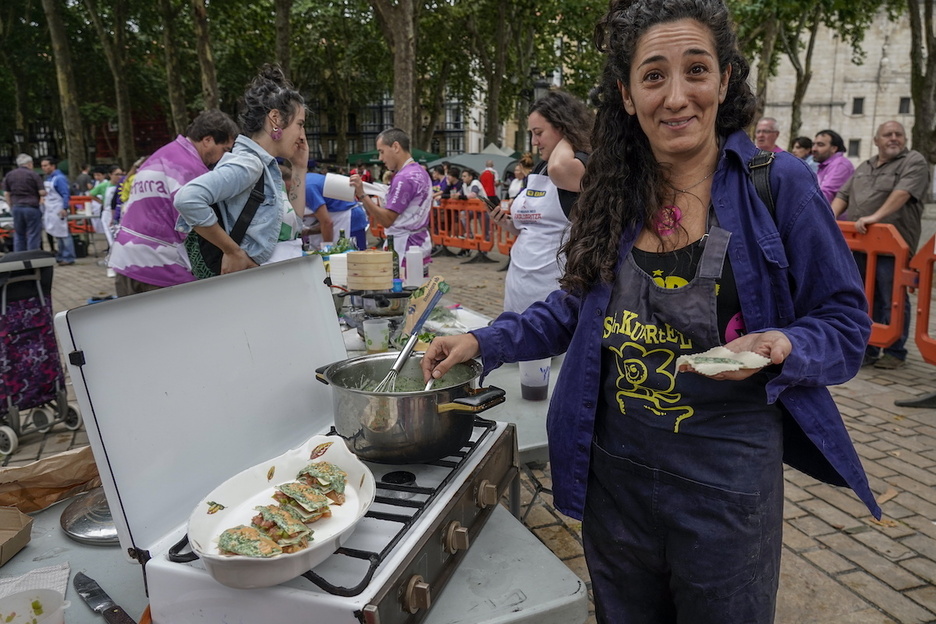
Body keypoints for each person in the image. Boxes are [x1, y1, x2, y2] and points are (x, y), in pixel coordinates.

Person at [422, 0, 878, 621]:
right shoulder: (616, 191)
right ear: (628, 95)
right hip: (616, 477)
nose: (677, 95)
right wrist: (484, 344)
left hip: (727, 486)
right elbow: (574, 308)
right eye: (654, 75)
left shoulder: (780, 185)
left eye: (696, 69)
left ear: (723, 80)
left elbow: (846, 323)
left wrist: (783, 346)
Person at [175, 64, 309, 276]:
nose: (302, 135)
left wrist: (300, 167)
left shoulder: (267, 168)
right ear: (275, 119)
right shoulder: (249, 164)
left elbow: (294, 227)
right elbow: (187, 199)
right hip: (257, 286)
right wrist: (233, 251)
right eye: (300, 124)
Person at [831, 120, 930, 370]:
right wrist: (828, 220)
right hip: (861, 245)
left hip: (893, 247)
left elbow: (903, 193)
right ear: (876, 140)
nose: (894, 138)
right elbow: (843, 195)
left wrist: (875, 218)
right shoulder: (865, 166)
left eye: (899, 134)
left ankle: (896, 350)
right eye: (887, 135)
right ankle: (871, 347)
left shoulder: (914, 162)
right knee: (865, 296)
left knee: (892, 297)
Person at [108, 109, 238, 296]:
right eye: (224, 149)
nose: (223, 158)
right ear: (208, 140)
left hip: (125, 260)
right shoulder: (191, 168)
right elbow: (200, 222)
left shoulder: (160, 156)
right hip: (159, 268)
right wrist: (232, 251)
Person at [490, 89, 591, 314]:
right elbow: (527, 227)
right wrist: (506, 224)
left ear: (562, 127)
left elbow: (560, 169)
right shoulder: (540, 167)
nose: (534, 142)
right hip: (519, 287)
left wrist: (568, 138)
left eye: (539, 133)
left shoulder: (581, 163)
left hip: (554, 292)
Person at [350, 128, 432, 277]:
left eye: (381, 151)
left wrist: (362, 194)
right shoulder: (420, 171)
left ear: (395, 147)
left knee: (403, 297)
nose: (380, 158)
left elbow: (387, 219)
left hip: (404, 249)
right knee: (419, 294)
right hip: (419, 244)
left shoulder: (404, 177)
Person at [2, 154, 45, 251]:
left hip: (17, 207)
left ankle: (20, 257)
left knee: (19, 233)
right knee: (33, 234)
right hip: (31, 207)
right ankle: (32, 257)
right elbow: (41, 192)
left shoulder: (9, 175)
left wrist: (11, 205)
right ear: (30, 164)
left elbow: (6, 193)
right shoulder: (34, 175)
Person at [39, 156, 76, 266]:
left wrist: (65, 208)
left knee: (64, 234)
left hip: (58, 209)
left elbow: (65, 194)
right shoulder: (49, 178)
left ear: (53, 166)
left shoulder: (59, 178)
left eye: (46, 165)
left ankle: (69, 256)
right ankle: (61, 255)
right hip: (51, 209)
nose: (44, 168)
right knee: (57, 234)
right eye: (42, 166)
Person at [813, 128, 854, 205]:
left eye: (820, 145)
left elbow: (826, 194)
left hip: (835, 216)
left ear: (834, 148)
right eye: (813, 144)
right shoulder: (825, 165)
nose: (814, 149)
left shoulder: (839, 165)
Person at [301, 162, 335, 250]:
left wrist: (327, 249)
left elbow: (327, 222)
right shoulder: (304, 180)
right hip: (336, 213)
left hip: (347, 217)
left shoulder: (307, 188)